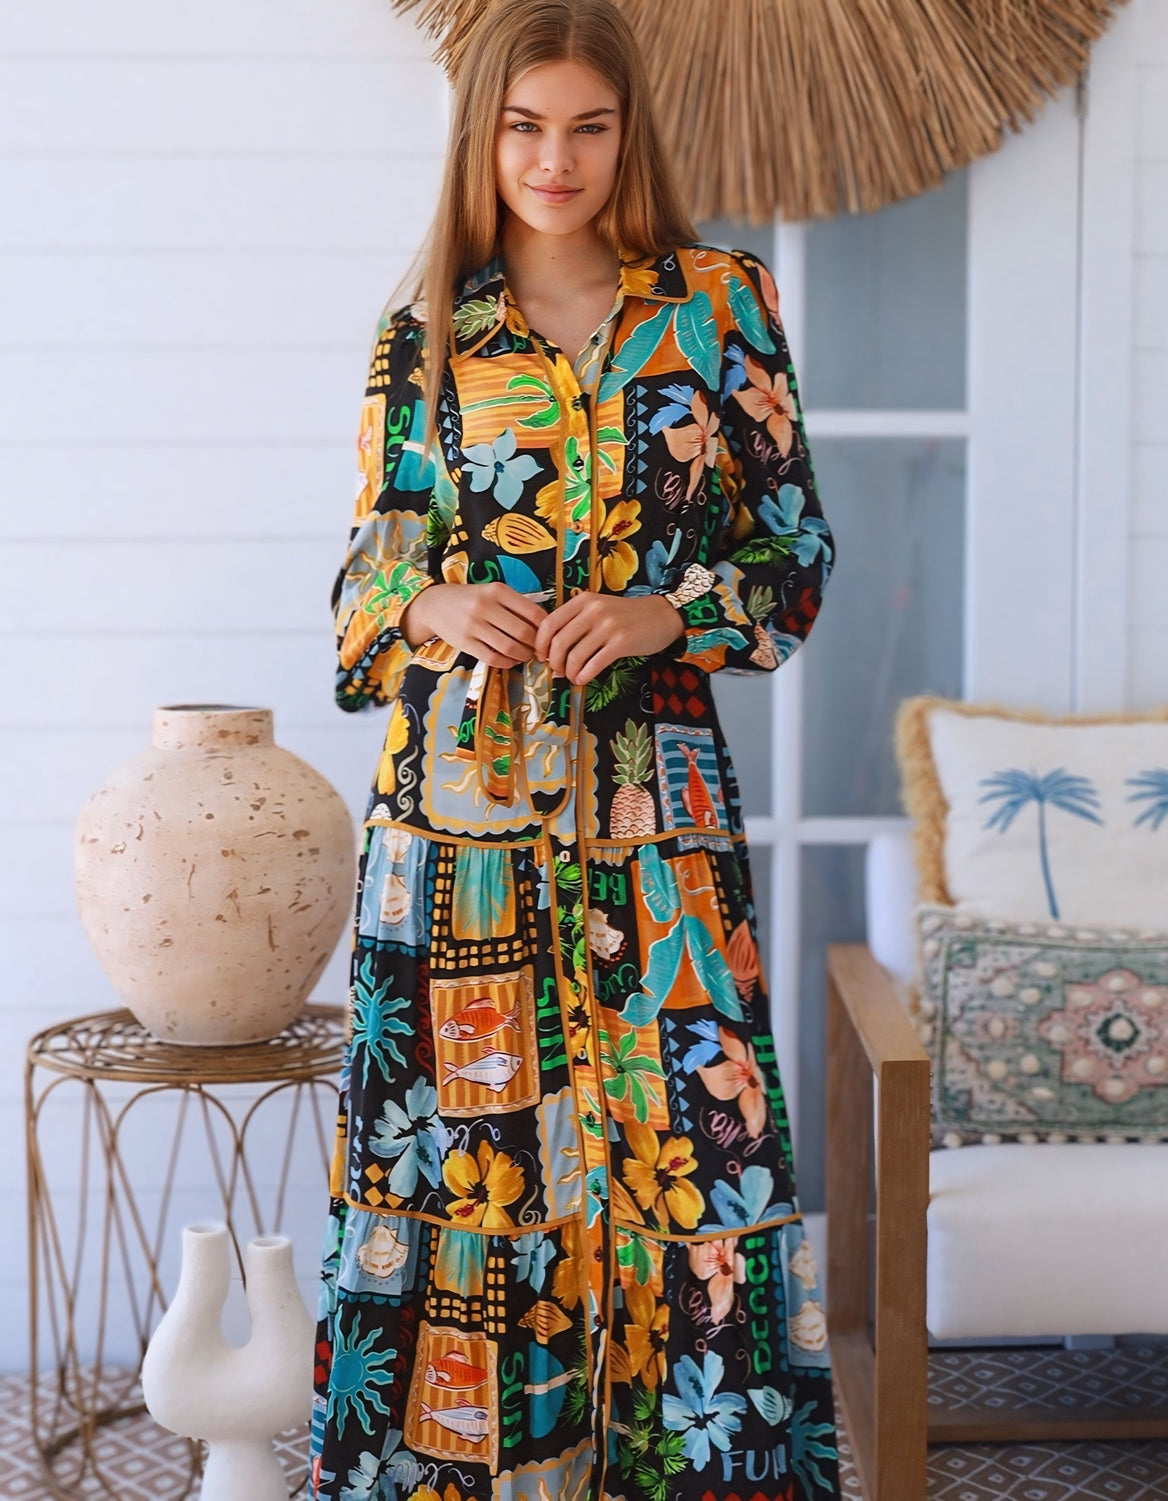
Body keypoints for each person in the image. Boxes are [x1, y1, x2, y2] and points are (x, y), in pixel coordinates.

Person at [309, 1, 840, 1497]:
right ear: (480, 137)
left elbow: (795, 556)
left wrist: (668, 612)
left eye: (589, 127)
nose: (557, 159)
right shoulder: (425, 335)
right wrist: (432, 603)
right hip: (459, 839)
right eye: (526, 126)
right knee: (468, 1190)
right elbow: (362, 589)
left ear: (628, 134)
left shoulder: (719, 306)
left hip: (657, 822)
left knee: (697, 1168)